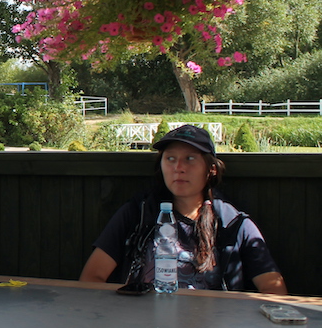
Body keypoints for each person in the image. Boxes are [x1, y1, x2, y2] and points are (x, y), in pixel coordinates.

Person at [80, 124, 287, 293]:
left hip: (213, 326)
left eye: (190, 158)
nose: (178, 168)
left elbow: (274, 288)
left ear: (211, 169)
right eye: (170, 158)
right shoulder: (138, 214)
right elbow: (92, 277)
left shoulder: (232, 224)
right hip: (143, 324)